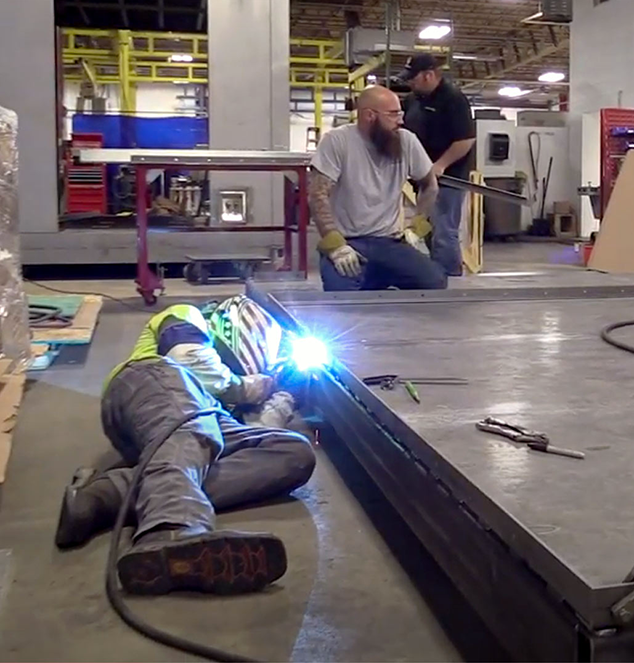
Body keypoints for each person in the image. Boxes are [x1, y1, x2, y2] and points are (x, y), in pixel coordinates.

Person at [55, 297, 316, 596]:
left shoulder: (213, 402)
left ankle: (103, 498)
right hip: (150, 380)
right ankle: (171, 528)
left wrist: (284, 398)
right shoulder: (186, 315)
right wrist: (250, 386)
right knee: (193, 432)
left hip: (202, 416)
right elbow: (189, 358)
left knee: (293, 454)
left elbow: (257, 434)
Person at [309, 85, 446, 292]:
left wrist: (418, 227)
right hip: (350, 242)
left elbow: (429, 185)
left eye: (400, 113)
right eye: (393, 114)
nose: (400, 121)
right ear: (369, 115)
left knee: (434, 281)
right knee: (340, 293)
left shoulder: (406, 141)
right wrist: (334, 243)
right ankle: (373, 280)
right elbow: (318, 193)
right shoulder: (337, 141)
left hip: (390, 242)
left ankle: (376, 279)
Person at [398, 53, 477, 277]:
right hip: (422, 178)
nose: (409, 82)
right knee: (427, 228)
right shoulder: (414, 99)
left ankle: (450, 279)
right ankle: (436, 275)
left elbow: (466, 139)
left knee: (444, 230)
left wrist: (440, 165)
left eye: (413, 78)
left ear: (429, 75)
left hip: (448, 178)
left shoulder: (453, 99)